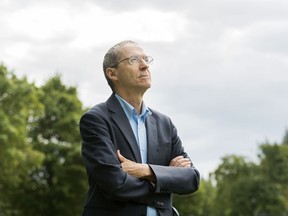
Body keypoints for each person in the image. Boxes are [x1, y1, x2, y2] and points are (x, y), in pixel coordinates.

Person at [79, 40, 200, 216]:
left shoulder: (164, 123)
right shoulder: (96, 120)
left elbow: (191, 179)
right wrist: (166, 180)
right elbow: (116, 184)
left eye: (146, 59)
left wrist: (146, 171)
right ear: (112, 73)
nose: (144, 66)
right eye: (134, 60)